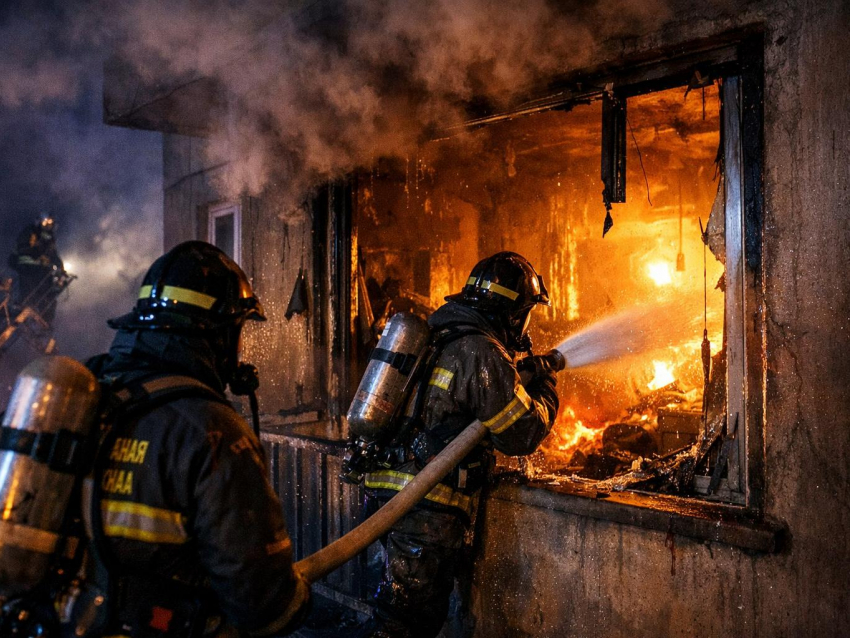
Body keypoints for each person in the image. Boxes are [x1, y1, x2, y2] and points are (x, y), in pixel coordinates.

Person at [74, 241, 310, 637]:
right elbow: (263, 605)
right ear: (216, 334)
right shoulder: (211, 432)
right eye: (238, 332)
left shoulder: (84, 397)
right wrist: (297, 599)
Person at [362, 251, 560, 638]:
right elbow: (520, 434)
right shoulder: (482, 352)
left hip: (385, 499)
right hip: (424, 512)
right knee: (404, 627)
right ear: (514, 313)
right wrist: (547, 389)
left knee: (397, 615)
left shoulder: (438, 334)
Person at [8, 215, 64, 322]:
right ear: (39, 222)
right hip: (26, 265)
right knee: (30, 286)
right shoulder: (31, 232)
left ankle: (46, 317)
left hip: (40, 268)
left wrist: (61, 269)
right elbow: (24, 248)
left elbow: (53, 255)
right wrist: (38, 252)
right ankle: (22, 305)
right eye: (45, 222)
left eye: (50, 223)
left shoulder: (50, 239)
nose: (48, 226)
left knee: (49, 289)